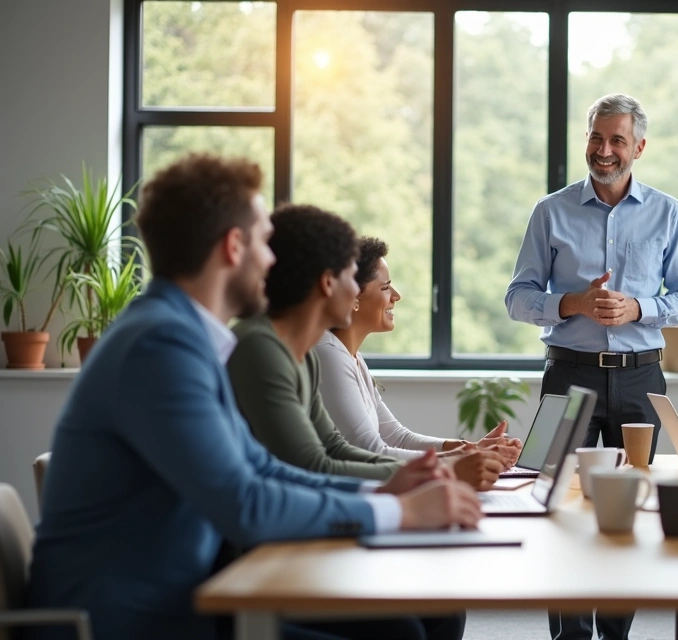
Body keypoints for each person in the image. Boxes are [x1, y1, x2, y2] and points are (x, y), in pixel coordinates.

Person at [24, 154, 481, 640]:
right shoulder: (160, 346)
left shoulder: (184, 337)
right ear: (233, 247)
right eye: (266, 242)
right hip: (133, 617)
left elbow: (261, 471)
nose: (273, 261)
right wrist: (399, 511)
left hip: (181, 594)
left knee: (404, 626)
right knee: (398, 634)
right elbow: (245, 502)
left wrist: (382, 491)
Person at [505, 93, 678, 640]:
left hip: (642, 377)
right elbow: (517, 297)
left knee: (629, 507)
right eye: (597, 137)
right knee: (555, 503)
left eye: (617, 140)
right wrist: (572, 303)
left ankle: (615, 633)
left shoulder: (667, 212)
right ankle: (570, 635)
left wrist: (641, 307)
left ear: (638, 146)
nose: (605, 150)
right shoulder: (551, 211)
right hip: (567, 374)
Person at [228, 205, 502, 491]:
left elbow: (334, 448)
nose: (355, 291)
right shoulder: (262, 347)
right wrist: (443, 471)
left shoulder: (303, 354)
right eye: (351, 277)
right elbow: (314, 464)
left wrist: (444, 465)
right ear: (328, 283)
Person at [315, 236, 522, 465]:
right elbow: (370, 450)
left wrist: (469, 448)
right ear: (353, 296)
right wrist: (461, 459)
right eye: (385, 287)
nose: (396, 295)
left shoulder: (350, 356)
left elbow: (397, 438)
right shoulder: (328, 354)